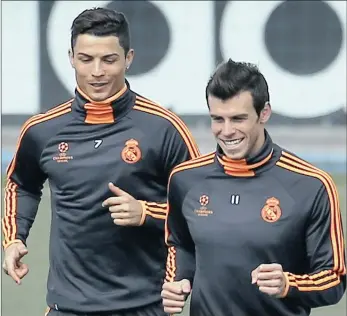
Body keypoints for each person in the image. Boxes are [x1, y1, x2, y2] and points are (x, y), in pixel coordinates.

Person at [2, 7, 200, 316]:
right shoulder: (43, 130)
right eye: (86, 59)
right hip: (67, 308)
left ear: (128, 58)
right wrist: (14, 238)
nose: (97, 72)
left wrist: (147, 212)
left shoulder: (164, 129)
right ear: (71, 58)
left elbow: (202, 210)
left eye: (109, 60)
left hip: (144, 307)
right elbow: (22, 183)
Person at [161, 59, 346, 316]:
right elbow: (180, 245)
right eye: (218, 119)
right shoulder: (185, 178)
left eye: (238, 119)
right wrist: (177, 281)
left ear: (264, 113)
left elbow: (334, 280)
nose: (227, 131)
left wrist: (289, 284)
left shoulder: (312, 185)